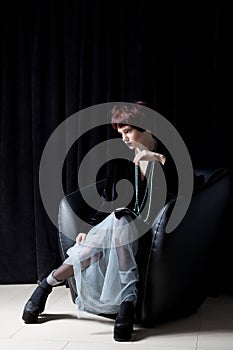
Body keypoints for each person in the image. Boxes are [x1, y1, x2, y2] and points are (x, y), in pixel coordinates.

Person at [22, 102, 179, 342]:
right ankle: (127, 302)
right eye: (121, 133)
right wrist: (89, 229)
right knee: (114, 226)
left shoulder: (167, 156)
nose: (125, 138)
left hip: (152, 232)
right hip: (121, 227)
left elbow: (181, 192)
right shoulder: (121, 162)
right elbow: (108, 202)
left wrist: (157, 158)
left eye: (128, 131)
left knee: (119, 223)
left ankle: (47, 283)